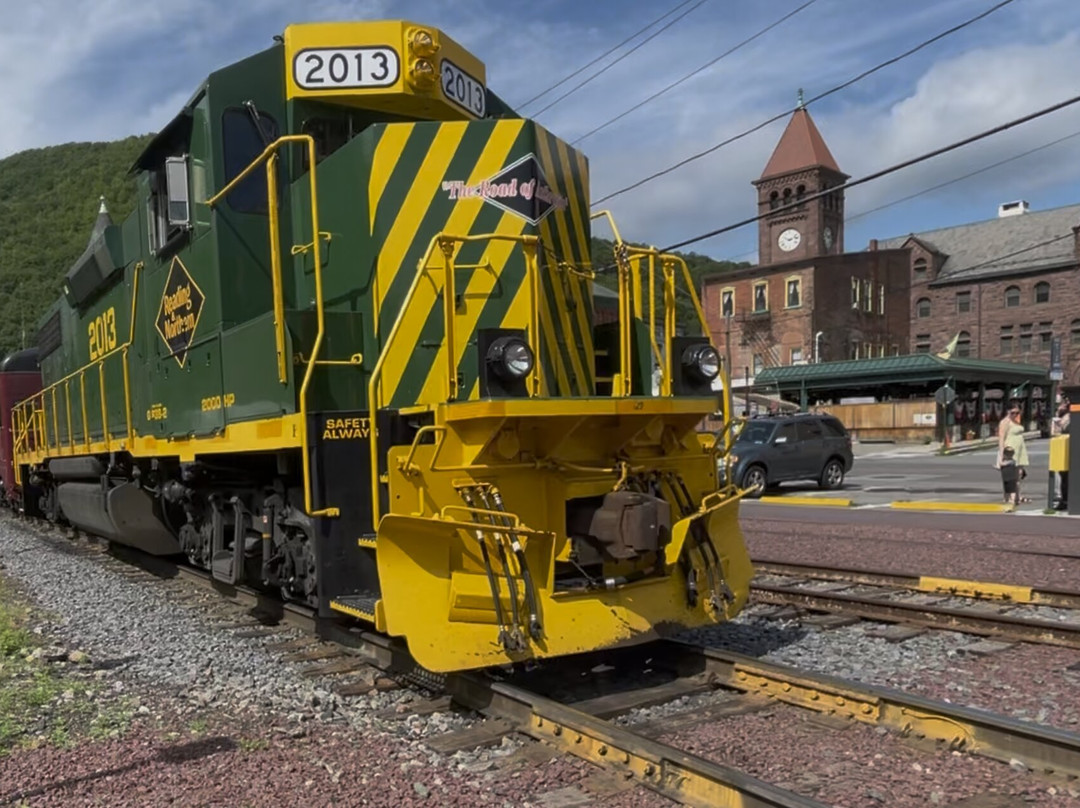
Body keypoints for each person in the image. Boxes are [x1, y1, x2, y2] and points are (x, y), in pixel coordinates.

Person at [997, 404, 1029, 503]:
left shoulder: (1016, 421)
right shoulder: (1005, 422)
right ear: (1007, 412)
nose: (1015, 414)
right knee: (1010, 475)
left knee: (1019, 474)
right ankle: (1009, 497)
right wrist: (1002, 454)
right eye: (1012, 413)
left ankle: (1018, 496)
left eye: (1017, 412)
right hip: (1010, 449)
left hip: (1020, 449)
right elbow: (1001, 439)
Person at [1054, 398, 1070, 510]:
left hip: (1070, 450)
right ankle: (1065, 500)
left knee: (1066, 477)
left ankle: (1066, 501)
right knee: (1064, 476)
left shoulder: (1070, 417)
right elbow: (1055, 432)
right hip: (1064, 450)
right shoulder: (1064, 417)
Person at [999, 445, 1020, 510]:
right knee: (1006, 490)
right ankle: (1006, 500)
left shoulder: (1012, 461)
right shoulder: (1006, 461)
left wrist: (1000, 461)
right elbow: (1001, 467)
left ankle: (1012, 500)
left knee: (1012, 490)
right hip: (1005, 478)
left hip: (1011, 478)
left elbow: (1003, 464)